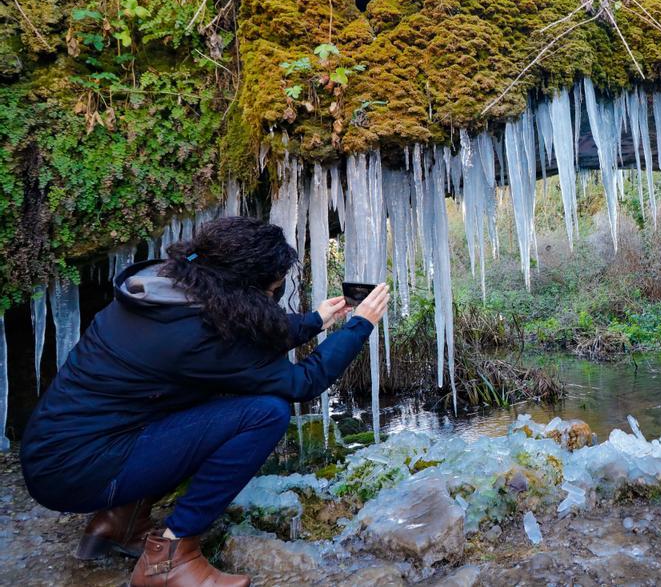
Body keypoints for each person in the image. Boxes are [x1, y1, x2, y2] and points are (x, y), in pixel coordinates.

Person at [20, 216, 389, 587]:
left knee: (201, 393)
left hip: (56, 453)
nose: (273, 297)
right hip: (78, 472)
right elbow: (301, 382)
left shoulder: (162, 290)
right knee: (265, 413)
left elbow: (242, 328)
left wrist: (314, 321)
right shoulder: (201, 335)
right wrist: (360, 325)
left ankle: (118, 522)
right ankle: (170, 557)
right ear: (243, 289)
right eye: (272, 291)